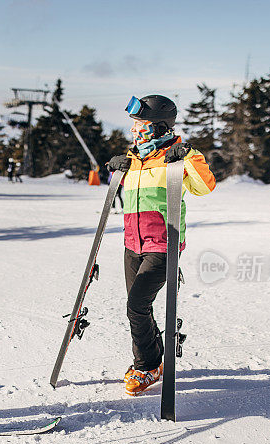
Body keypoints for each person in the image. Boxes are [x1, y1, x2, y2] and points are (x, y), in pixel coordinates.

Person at [106, 94, 216, 396]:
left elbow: (205, 187)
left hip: (162, 245)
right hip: (132, 244)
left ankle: (148, 366)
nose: (134, 130)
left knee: (136, 305)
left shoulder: (176, 158)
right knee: (138, 308)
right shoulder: (135, 159)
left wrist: (189, 155)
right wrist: (115, 170)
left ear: (158, 126)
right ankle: (154, 359)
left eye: (140, 123)